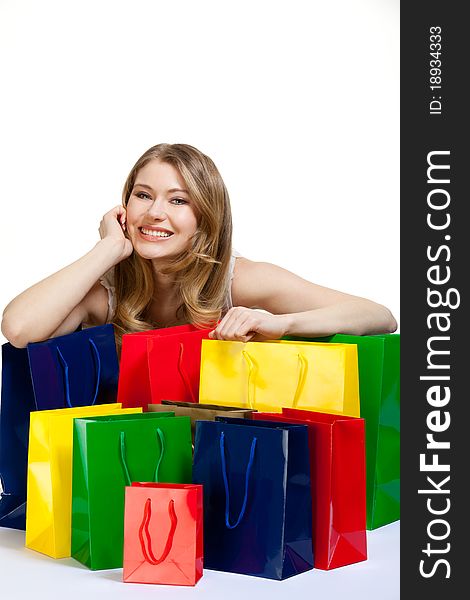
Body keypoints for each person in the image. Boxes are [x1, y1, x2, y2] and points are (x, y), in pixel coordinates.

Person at [1, 143, 397, 351]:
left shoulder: (238, 279)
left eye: (178, 201)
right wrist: (107, 249)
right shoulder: (108, 288)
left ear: (205, 216)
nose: (155, 212)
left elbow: (378, 316)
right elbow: (18, 330)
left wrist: (282, 324)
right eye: (142, 195)